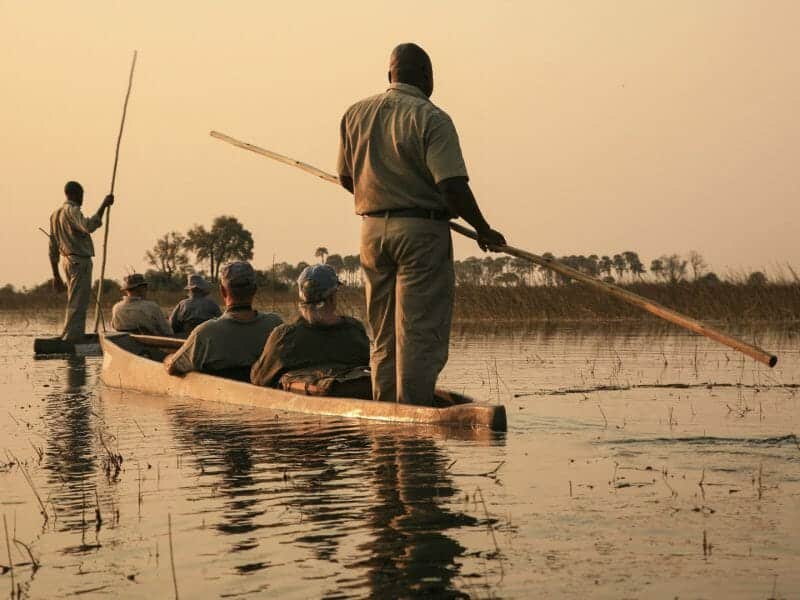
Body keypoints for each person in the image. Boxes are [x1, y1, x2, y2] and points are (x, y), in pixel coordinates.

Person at [337, 43, 506, 404]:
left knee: (382, 334)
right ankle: (413, 414)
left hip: (371, 231)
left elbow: (346, 178)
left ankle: (385, 413)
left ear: (389, 76)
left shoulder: (355, 114)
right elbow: (451, 186)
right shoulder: (431, 118)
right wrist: (483, 229)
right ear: (428, 79)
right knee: (417, 333)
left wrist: (380, 191)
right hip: (419, 233)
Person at [251, 264, 371, 397]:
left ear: (302, 297)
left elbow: (259, 378)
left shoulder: (284, 337)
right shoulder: (355, 329)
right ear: (332, 298)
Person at [164, 261, 282, 381]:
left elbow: (173, 367)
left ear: (223, 291)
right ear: (255, 289)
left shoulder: (205, 333)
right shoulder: (276, 325)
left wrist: (168, 358)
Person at [48, 181, 114, 342]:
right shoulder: (72, 210)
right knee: (79, 303)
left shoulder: (55, 215)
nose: (83, 199)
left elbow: (52, 248)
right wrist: (104, 206)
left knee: (74, 301)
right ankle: (73, 339)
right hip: (79, 261)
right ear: (75, 194)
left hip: (67, 261)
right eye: (82, 195)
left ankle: (67, 334)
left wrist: (56, 275)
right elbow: (88, 226)